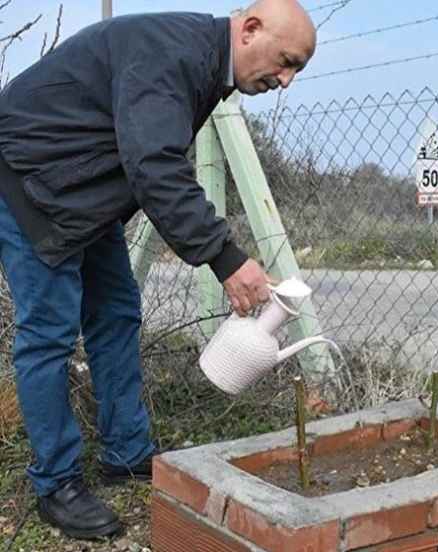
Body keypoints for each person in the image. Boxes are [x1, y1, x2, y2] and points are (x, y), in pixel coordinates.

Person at [0, 0, 316, 540]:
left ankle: (126, 451)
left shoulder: (201, 61)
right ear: (251, 29)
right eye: (285, 61)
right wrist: (225, 257)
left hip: (82, 190)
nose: (285, 80)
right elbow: (154, 166)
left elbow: (146, 155)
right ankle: (56, 483)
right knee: (48, 334)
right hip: (30, 178)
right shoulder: (172, 54)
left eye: (296, 70)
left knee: (117, 311)